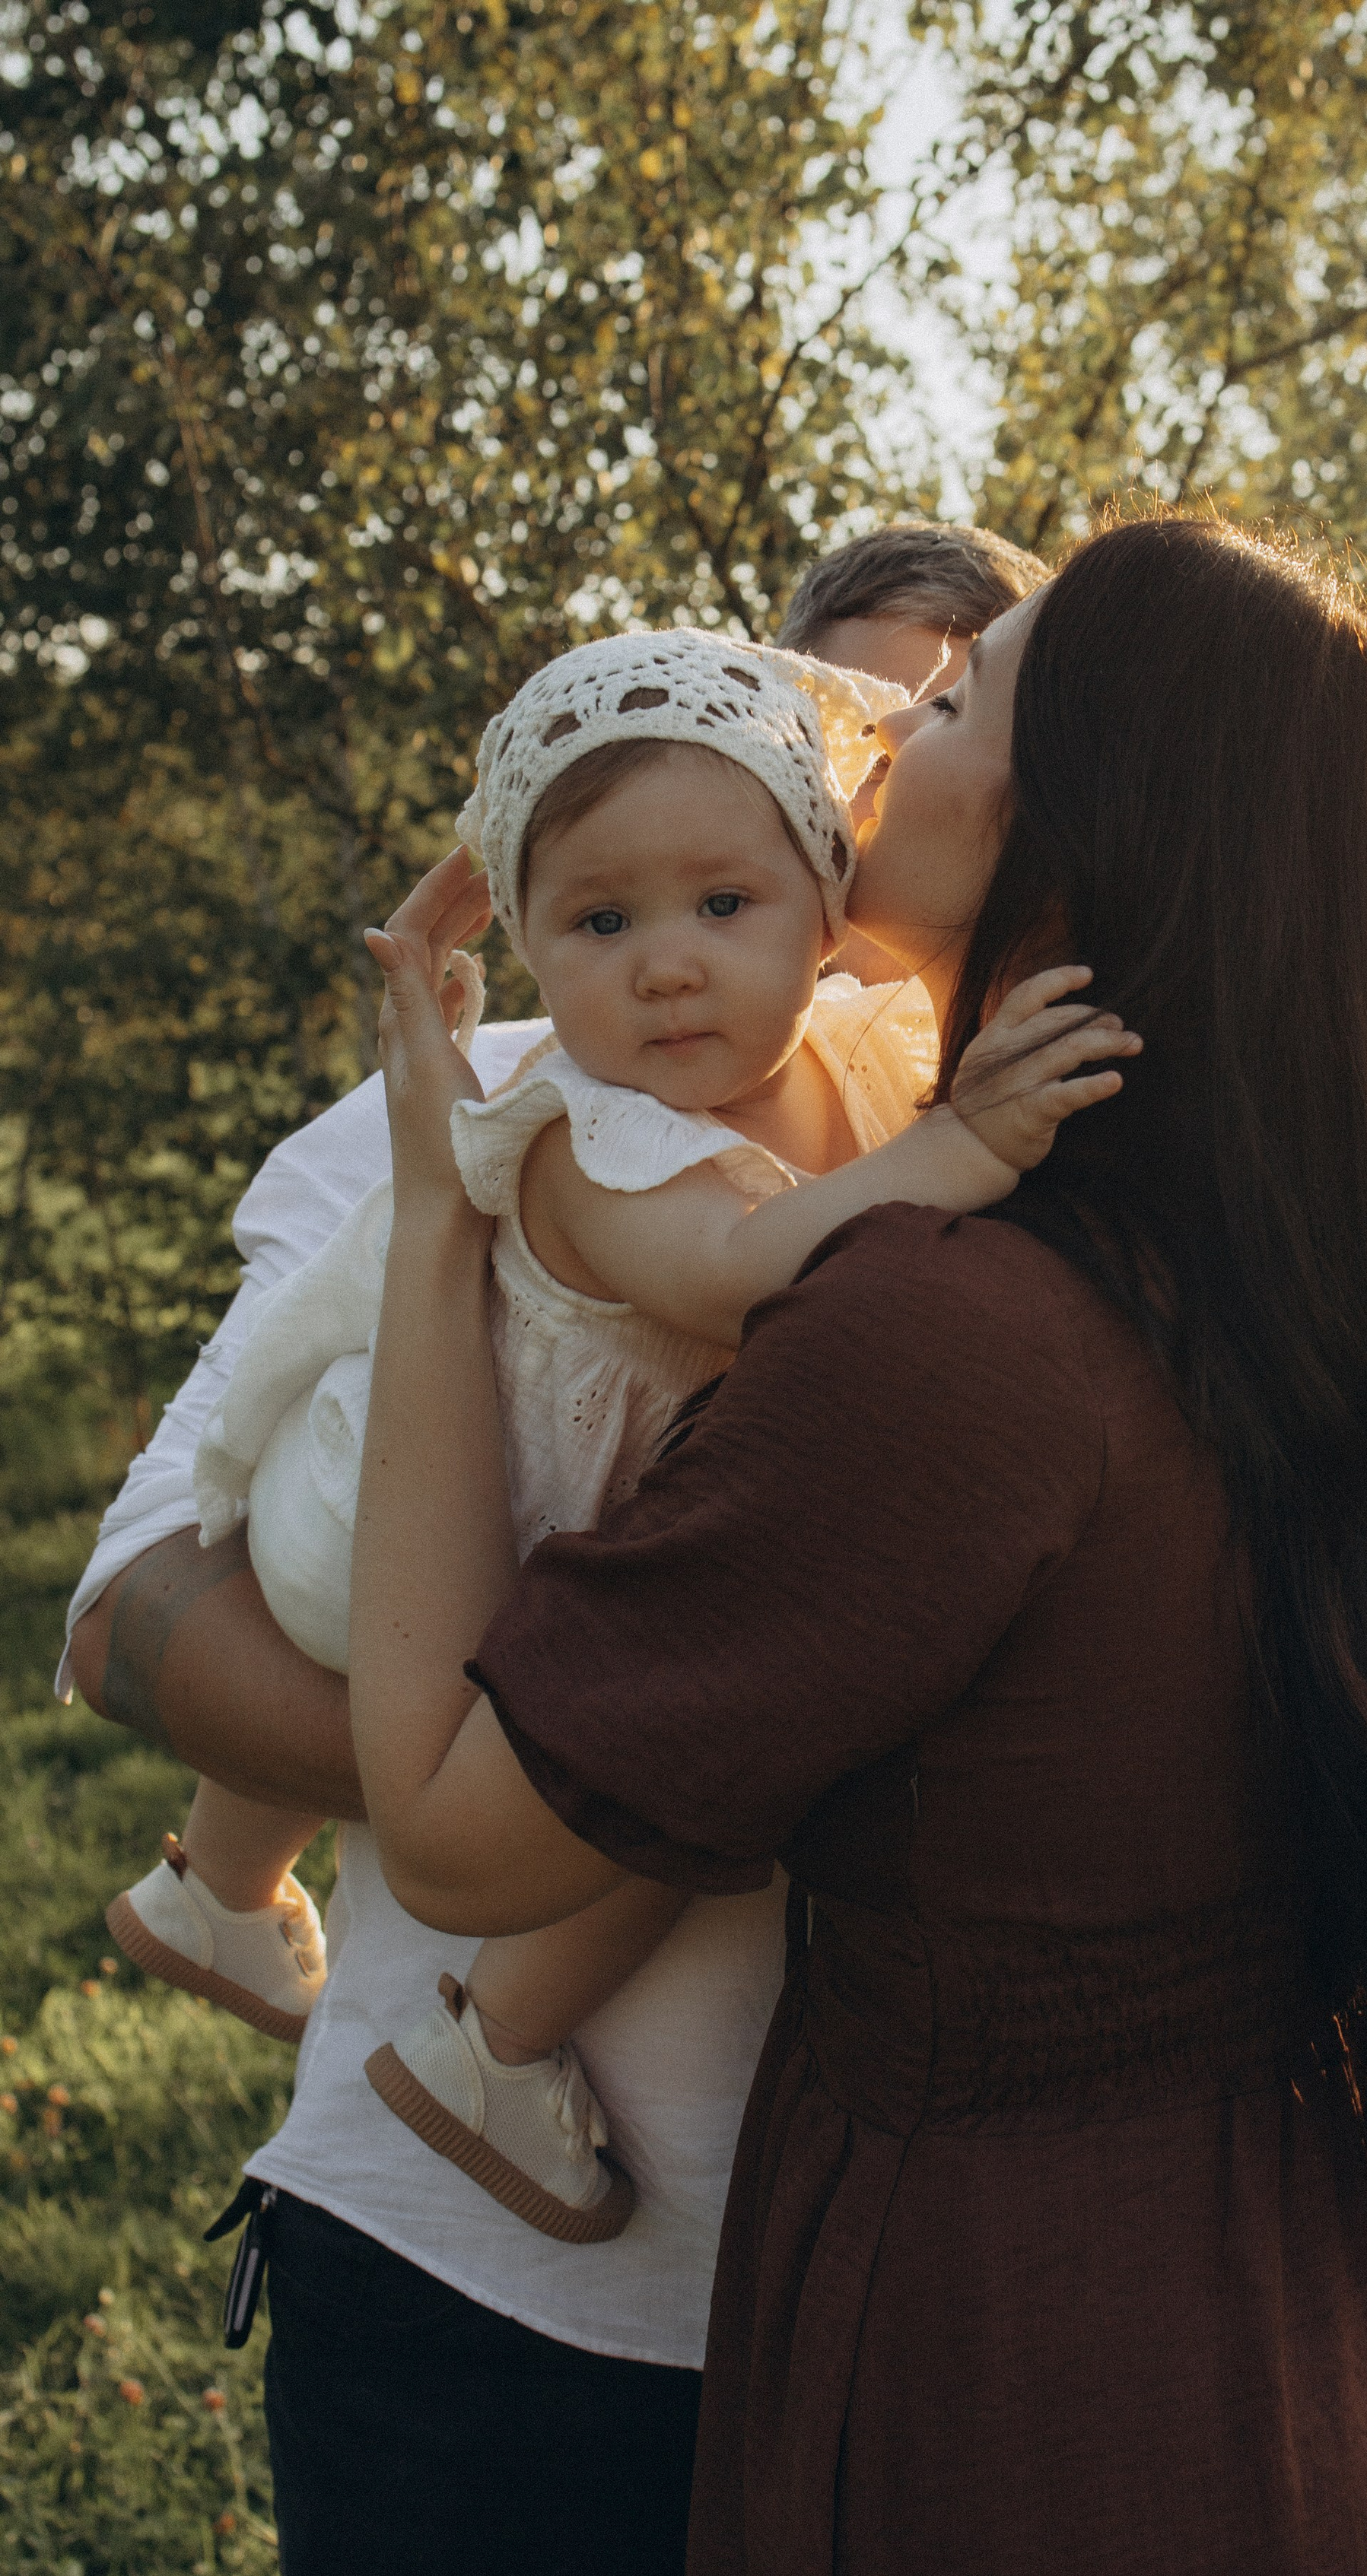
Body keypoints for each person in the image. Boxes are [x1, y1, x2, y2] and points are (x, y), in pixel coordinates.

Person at [351, 513, 1367, 2576]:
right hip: (1299, 2340)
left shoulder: (951, 1335)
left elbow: (452, 1833)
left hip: (1031, 2399)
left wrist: (436, 1215)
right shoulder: (1315, 1285)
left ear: (1074, 819)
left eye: (968, 699)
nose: (890, 720)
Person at [60, 521, 1046, 2576]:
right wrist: (492, 1775)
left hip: (906, 2299)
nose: (871, 774)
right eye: (834, 716)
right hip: (475, 2299)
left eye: (930, 737)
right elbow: (128, 1605)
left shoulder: (1023, 1135)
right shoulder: (500, 1092)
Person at [117, 625, 1124, 2242]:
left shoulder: (854, 1058)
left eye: (722, 907)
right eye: (600, 920)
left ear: (819, 894)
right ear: (518, 943)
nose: (665, 963)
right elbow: (748, 1274)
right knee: (677, 1769)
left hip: (473, 1531)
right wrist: (971, 1146)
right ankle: (491, 2045)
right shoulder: (578, 1127)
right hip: (409, 1530)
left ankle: (219, 1887)